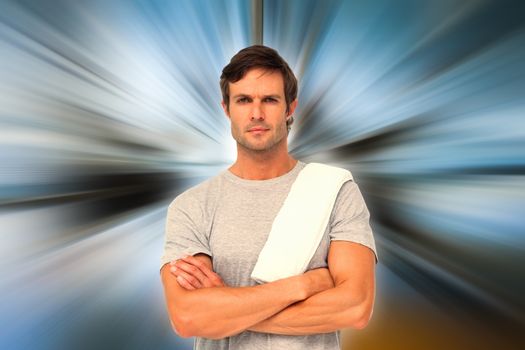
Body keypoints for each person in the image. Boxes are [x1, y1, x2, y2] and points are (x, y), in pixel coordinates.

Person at [160, 45, 377, 350]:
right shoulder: (191, 207)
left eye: (270, 100)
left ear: (290, 108)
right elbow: (188, 317)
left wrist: (224, 311)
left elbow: (355, 308)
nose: (257, 113)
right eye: (244, 100)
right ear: (227, 108)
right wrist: (305, 284)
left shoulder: (335, 190)